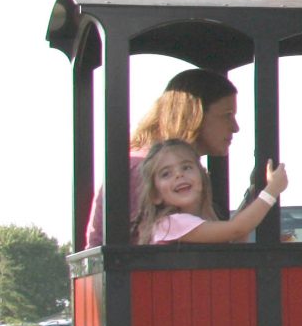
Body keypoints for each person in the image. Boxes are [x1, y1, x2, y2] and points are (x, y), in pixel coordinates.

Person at [85, 68, 241, 247]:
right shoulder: (145, 169)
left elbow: (220, 240)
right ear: (194, 116)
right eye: (227, 115)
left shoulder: (164, 169)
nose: (235, 127)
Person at [135, 140, 288, 245]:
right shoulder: (170, 224)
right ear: (155, 195)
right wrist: (272, 190)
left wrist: (254, 191)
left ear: (202, 177)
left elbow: (233, 238)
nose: (178, 175)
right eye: (166, 174)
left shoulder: (195, 222)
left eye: (186, 167)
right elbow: (237, 229)